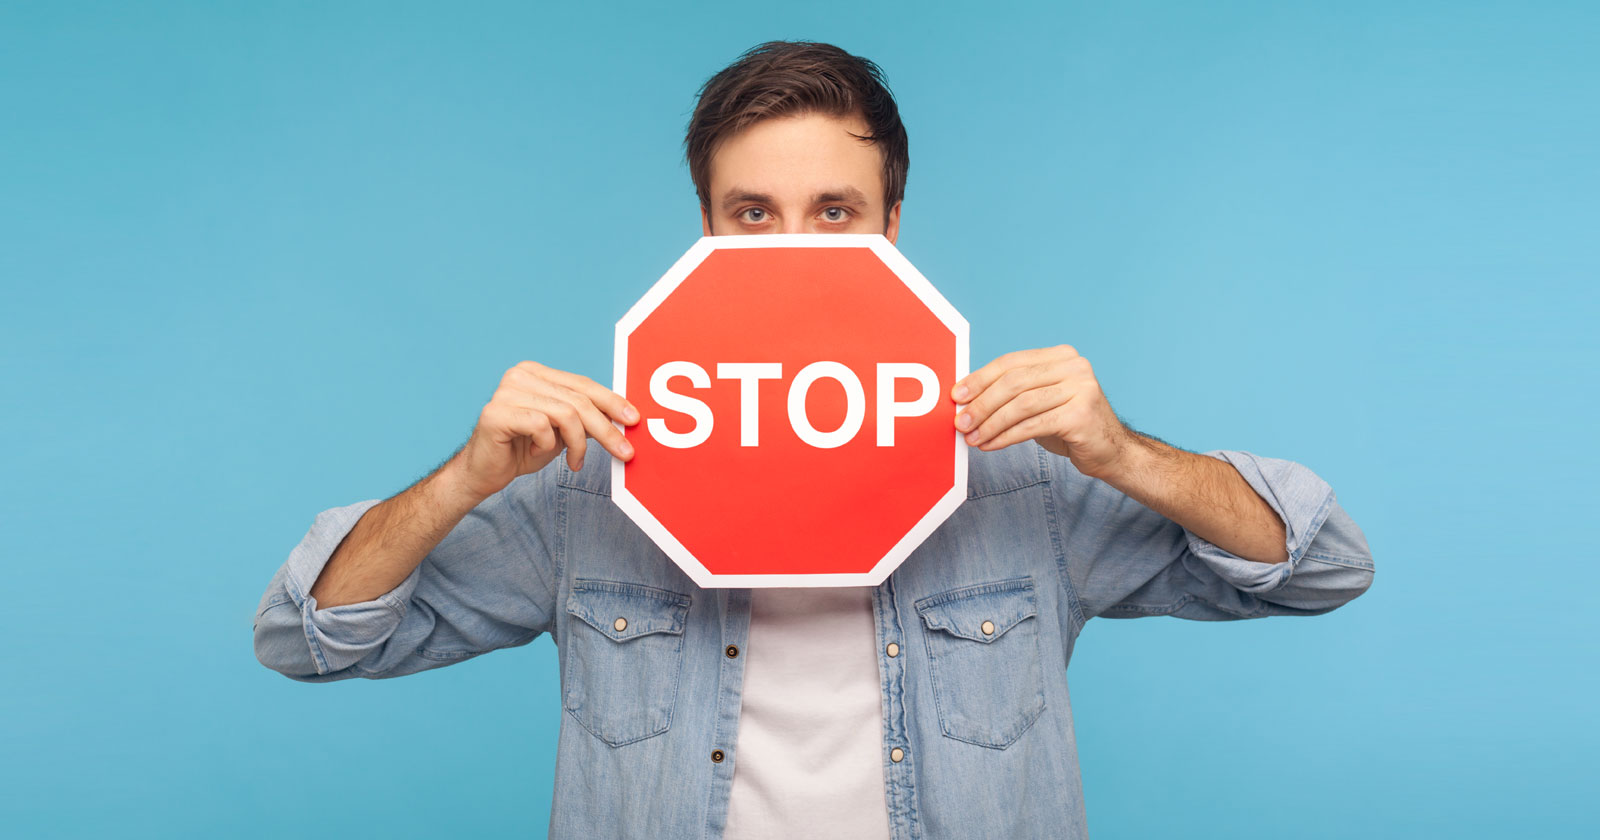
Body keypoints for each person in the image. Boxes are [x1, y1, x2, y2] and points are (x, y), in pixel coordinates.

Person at [253, 40, 1374, 840]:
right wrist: (465, 478)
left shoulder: (1018, 472)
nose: (794, 247)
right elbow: (309, 637)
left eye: (834, 212)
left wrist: (1120, 451)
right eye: (753, 213)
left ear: (891, 226)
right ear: (706, 227)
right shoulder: (593, 481)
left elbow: (1320, 566)